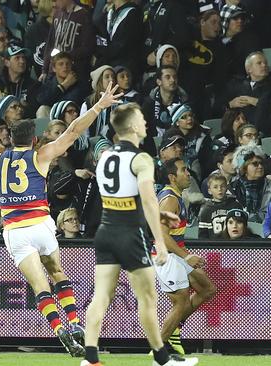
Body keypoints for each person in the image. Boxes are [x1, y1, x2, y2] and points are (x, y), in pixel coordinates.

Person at [0, 82, 122, 357]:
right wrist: (99, 106)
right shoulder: (40, 155)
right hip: (41, 223)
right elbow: (74, 130)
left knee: (39, 286)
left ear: (9, 138)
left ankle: (59, 330)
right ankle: (76, 324)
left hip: (15, 230)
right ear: (33, 140)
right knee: (57, 272)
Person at [81, 103, 196, 366]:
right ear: (132, 126)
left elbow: (117, 198)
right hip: (129, 235)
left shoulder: (105, 157)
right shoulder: (141, 158)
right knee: (147, 299)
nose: (145, 124)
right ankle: (162, 359)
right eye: (142, 120)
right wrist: (160, 242)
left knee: (101, 297)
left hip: (106, 230)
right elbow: (147, 200)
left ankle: (90, 358)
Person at [156, 158, 217, 356]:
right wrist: (187, 256)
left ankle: (174, 329)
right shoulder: (170, 199)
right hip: (167, 256)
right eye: (184, 170)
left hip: (178, 254)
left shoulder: (176, 196)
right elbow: (162, 236)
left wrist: (185, 256)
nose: (188, 173)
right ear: (172, 177)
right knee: (180, 302)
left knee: (207, 289)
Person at [197, 174, 243, 239]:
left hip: (233, 245)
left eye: (222, 186)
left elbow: (242, 229)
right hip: (214, 247)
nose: (219, 189)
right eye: (215, 187)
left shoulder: (236, 206)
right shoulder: (205, 210)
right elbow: (203, 235)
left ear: (227, 188)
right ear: (209, 191)